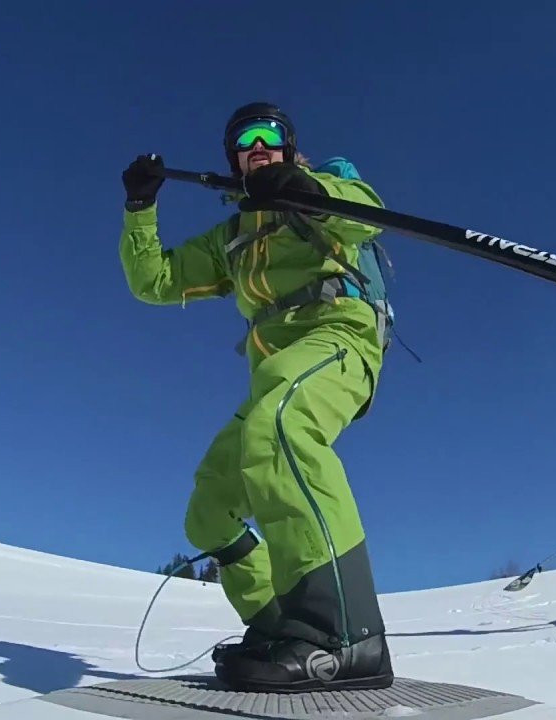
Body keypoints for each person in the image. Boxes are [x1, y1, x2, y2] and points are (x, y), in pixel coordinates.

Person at [117, 102, 393, 692]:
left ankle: (345, 635)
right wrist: (141, 207)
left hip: (339, 336)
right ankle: (277, 624)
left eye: (269, 136)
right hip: (273, 371)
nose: (257, 146)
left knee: (281, 429)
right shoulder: (234, 236)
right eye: (244, 142)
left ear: (290, 147)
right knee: (209, 510)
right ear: (234, 161)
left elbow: (369, 215)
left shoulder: (321, 191)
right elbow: (154, 281)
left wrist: (304, 188)